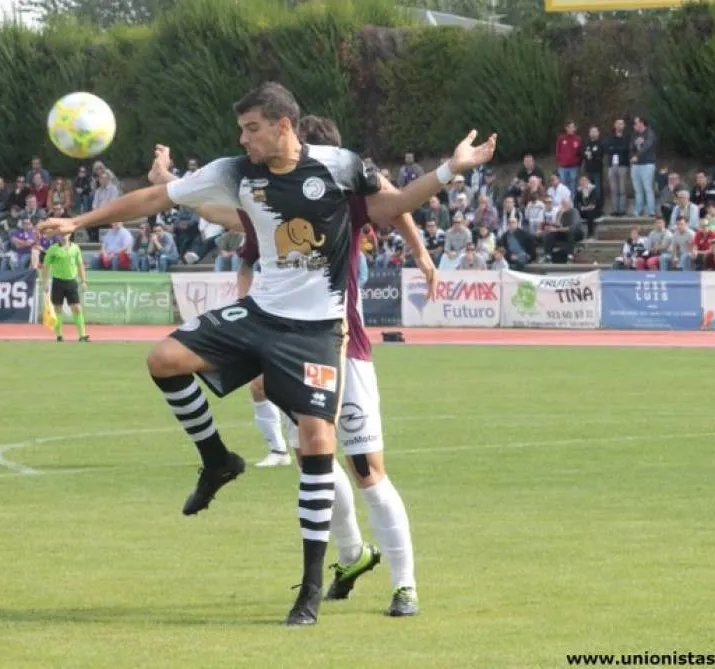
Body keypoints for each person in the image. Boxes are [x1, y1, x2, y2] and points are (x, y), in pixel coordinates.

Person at [38, 81, 496, 626]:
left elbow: (394, 205)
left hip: (325, 335)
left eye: (251, 128)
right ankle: (222, 465)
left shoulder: (339, 169)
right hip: (260, 319)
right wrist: (81, 222)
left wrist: (450, 171)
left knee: (355, 464)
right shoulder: (239, 176)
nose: (243, 138)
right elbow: (166, 200)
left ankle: (381, 585)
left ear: (284, 125)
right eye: (241, 129)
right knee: (168, 362)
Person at [148, 114, 436, 618]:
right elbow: (226, 214)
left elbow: (396, 201)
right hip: (284, 347)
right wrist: (169, 185)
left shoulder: (347, 204)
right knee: (312, 459)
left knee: (366, 469)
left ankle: (405, 582)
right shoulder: (271, 209)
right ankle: (350, 557)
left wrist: (423, 256)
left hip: (345, 349)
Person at [40, 234, 90, 342]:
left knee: (76, 307)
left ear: (70, 235)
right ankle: (59, 335)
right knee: (58, 308)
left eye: (66, 234)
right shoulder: (53, 249)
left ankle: (82, 335)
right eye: (61, 234)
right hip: (58, 281)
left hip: (71, 281)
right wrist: (45, 282)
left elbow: (80, 265)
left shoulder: (75, 248)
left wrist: (83, 281)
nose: (63, 236)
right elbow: (46, 266)